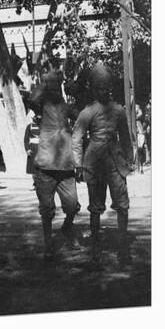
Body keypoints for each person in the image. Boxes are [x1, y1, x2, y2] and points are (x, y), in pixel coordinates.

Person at [72, 63, 134, 266]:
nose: (103, 90)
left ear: (111, 87)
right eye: (99, 87)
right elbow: (77, 139)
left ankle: (123, 250)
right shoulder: (87, 112)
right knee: (95, 207)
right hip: (95, 163)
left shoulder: (118, 110)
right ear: (93, 88)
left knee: (123, 205)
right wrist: (78, 165)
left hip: (116, 163)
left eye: (106, 86)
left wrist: (130, 158)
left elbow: (125, 136)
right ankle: (95, 252)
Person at [28, 71, 80, 261]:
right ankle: (49, 244)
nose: (55, 89)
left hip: (65, 165)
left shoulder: (67, 107)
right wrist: (44, 83)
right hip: (45, 166)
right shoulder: (41, 107)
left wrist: (74, 88)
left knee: (72, 206)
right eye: (52, 86)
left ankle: (67, 228)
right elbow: (32, 99)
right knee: (47, 209)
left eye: (57, 85)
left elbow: (81, 116)